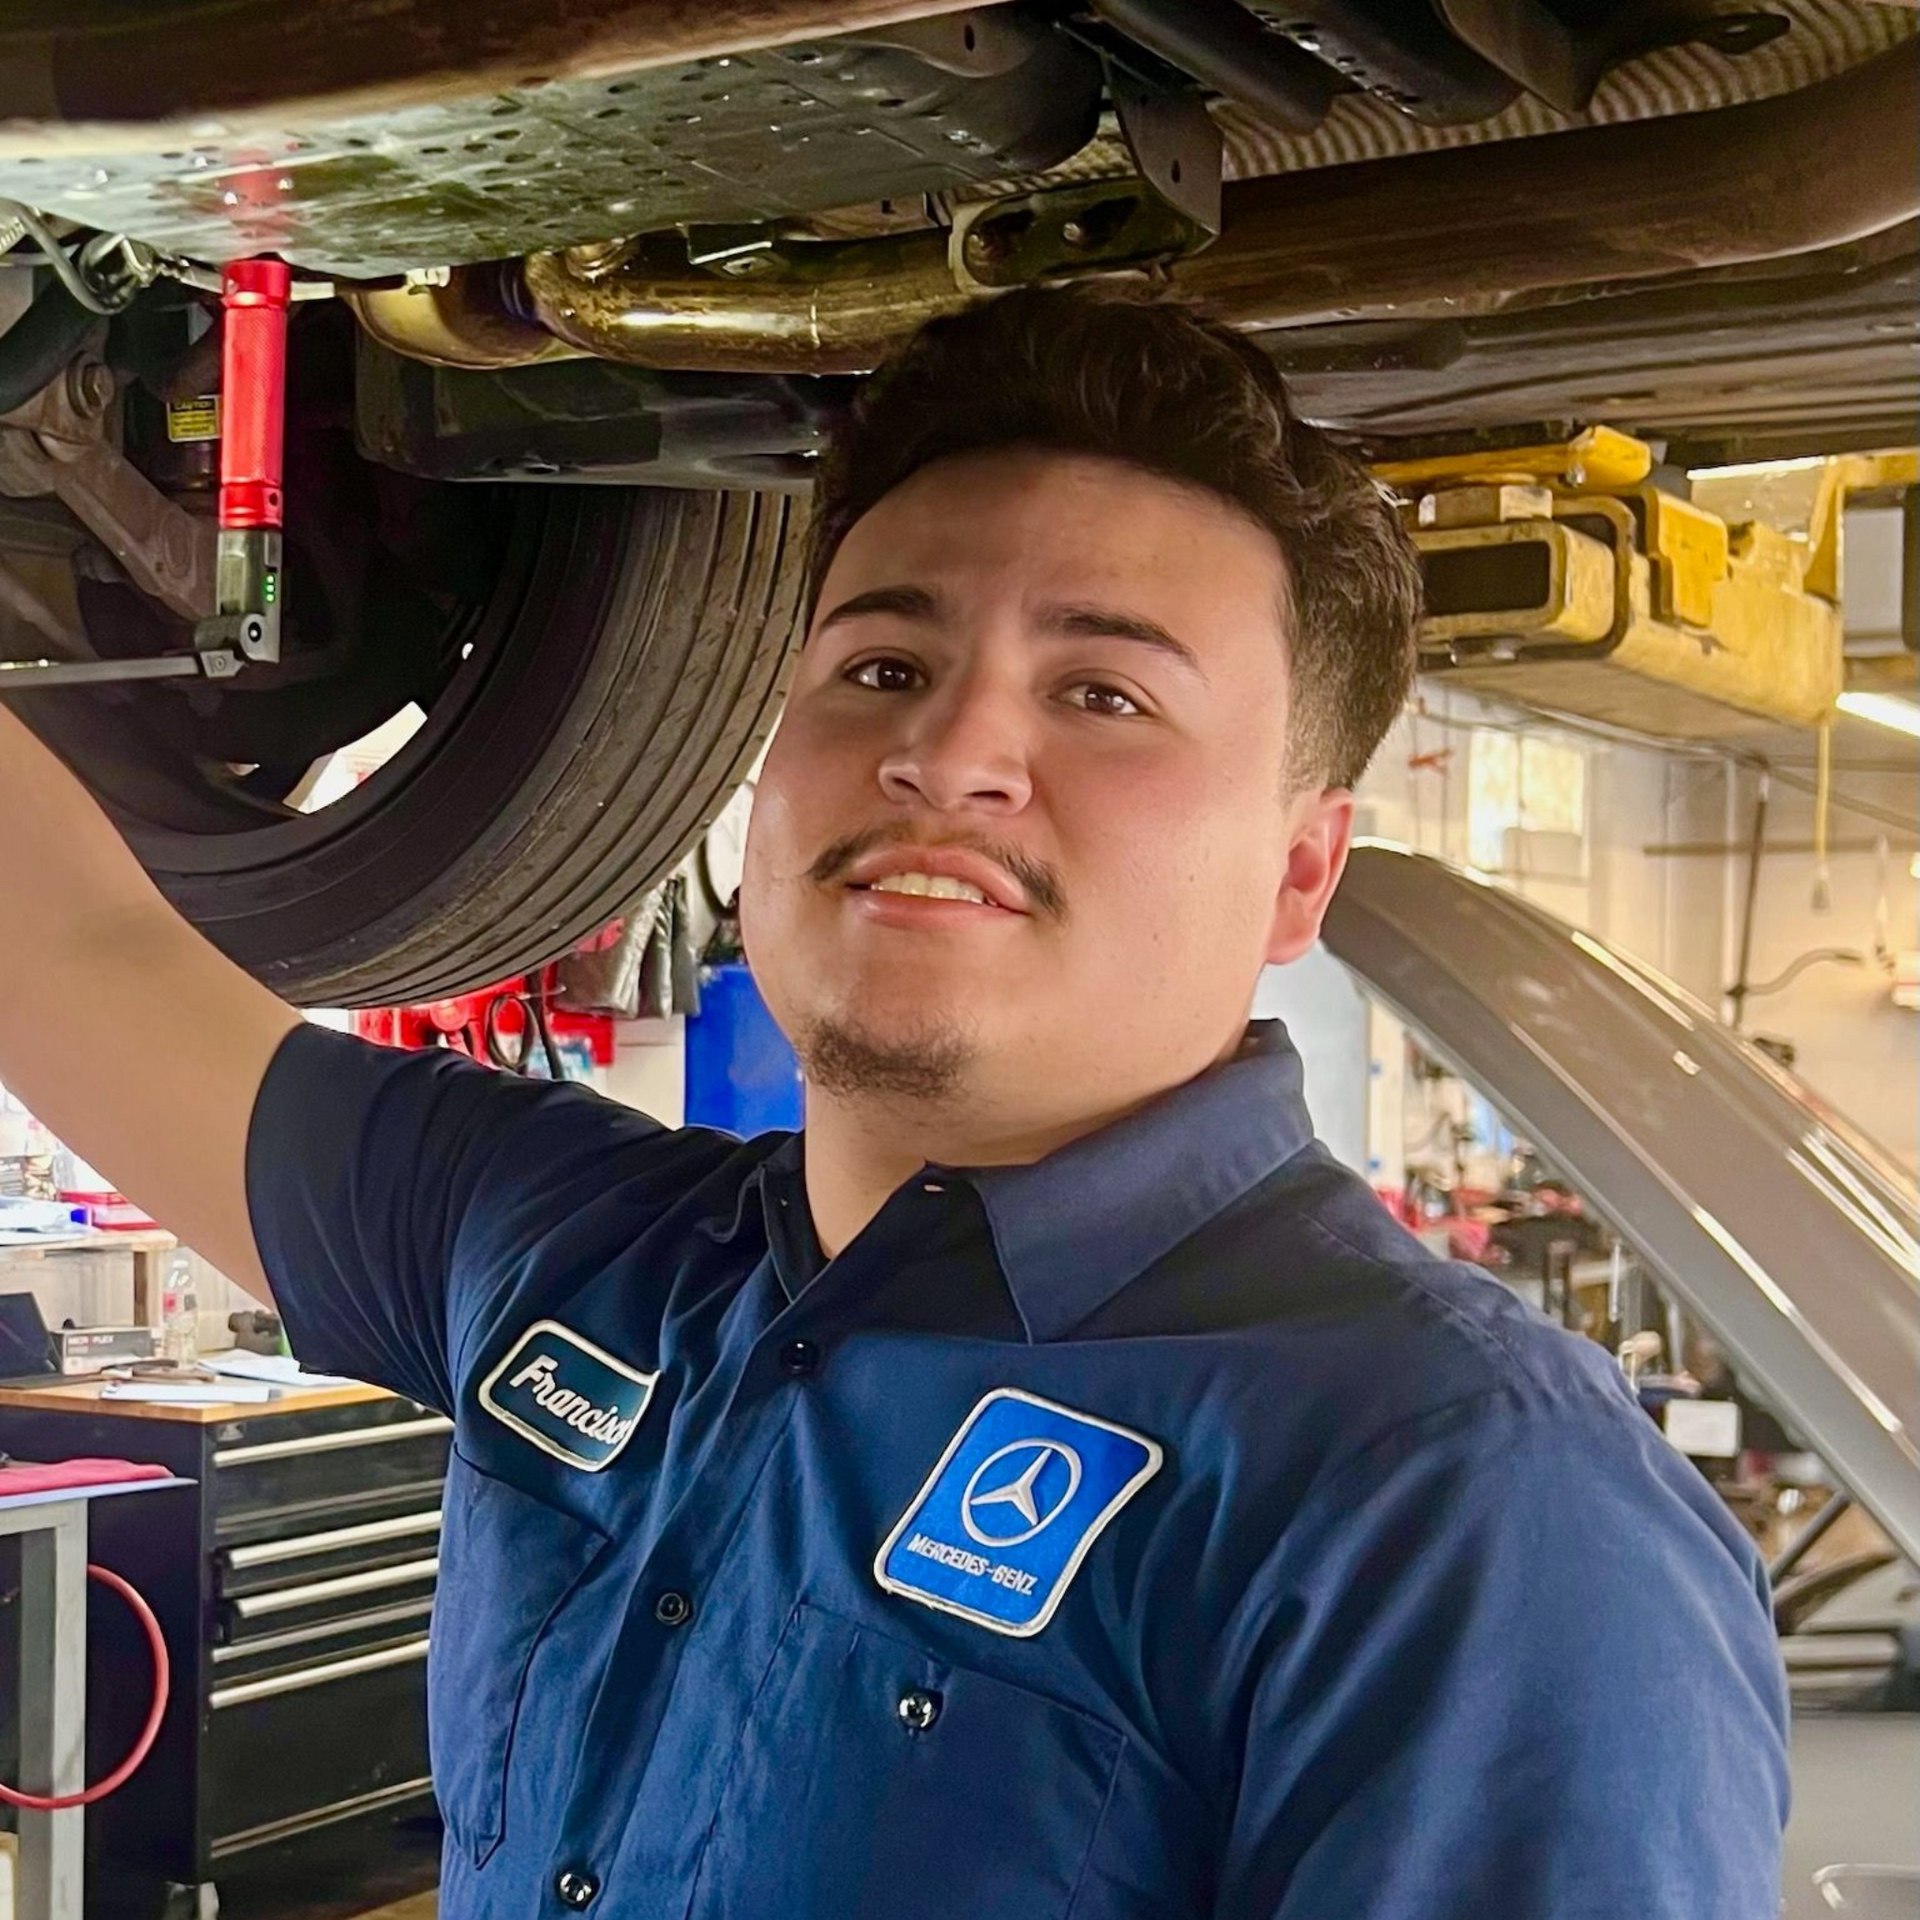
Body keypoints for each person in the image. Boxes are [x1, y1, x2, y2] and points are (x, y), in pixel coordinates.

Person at [0, 285, 1787, 1918]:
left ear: (1298, 873)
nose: (948, 752)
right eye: (881, 668)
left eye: (1102, 691)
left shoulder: (1467, 1502)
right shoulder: (577, 1254)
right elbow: (74, 952)